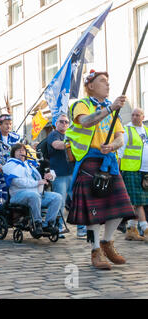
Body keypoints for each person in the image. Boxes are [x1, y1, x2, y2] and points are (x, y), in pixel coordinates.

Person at [66, 70, 136, 270]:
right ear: (90, 86)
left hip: (109, 162)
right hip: (89, 162)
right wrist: (111, 107)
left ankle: (107, 242)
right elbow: (87, 121)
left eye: (108, 81)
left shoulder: (112, 110)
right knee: (93, 212)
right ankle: (95, 249)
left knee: (121, 208)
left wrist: (113, 146)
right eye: (102, 81)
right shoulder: (82, 105)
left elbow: (120, 137)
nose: (107, 85)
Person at [3, 143, 62, 235]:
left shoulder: (30, 164)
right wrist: (37, 183)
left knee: (57, 197)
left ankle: (48, 224)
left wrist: (50, 175)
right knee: (33, 196)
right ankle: (37, 223)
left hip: (36, 194)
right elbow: (17, 182)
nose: (21, 152)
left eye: (23, 150)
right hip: (18, 195)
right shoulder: (10, 165)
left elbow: (46, 170)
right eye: (18, 151)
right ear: (13, 153)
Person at [47, 113, 87, 238]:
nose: (64, 124)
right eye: (61, 121)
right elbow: (56, 145)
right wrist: (73, 143)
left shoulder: (70, 134)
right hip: (59, 175)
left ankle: (81, 228)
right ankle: (58, 228)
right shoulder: (53, 134)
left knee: (77, 201)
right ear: (56, 123)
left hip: (72, 173)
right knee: (60, 202)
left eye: (66, 122)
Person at [118, 108, 148, 241]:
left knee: (137, 202)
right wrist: (117, 171)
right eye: (133, 115)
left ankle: (131, 230)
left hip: (145, 170)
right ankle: (146, 229)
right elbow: (120, 151)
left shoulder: (146, 130)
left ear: (143, 116)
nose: (135, 117)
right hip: (131, 169)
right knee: (138, 201)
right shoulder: (127, 129)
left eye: (138, 115)